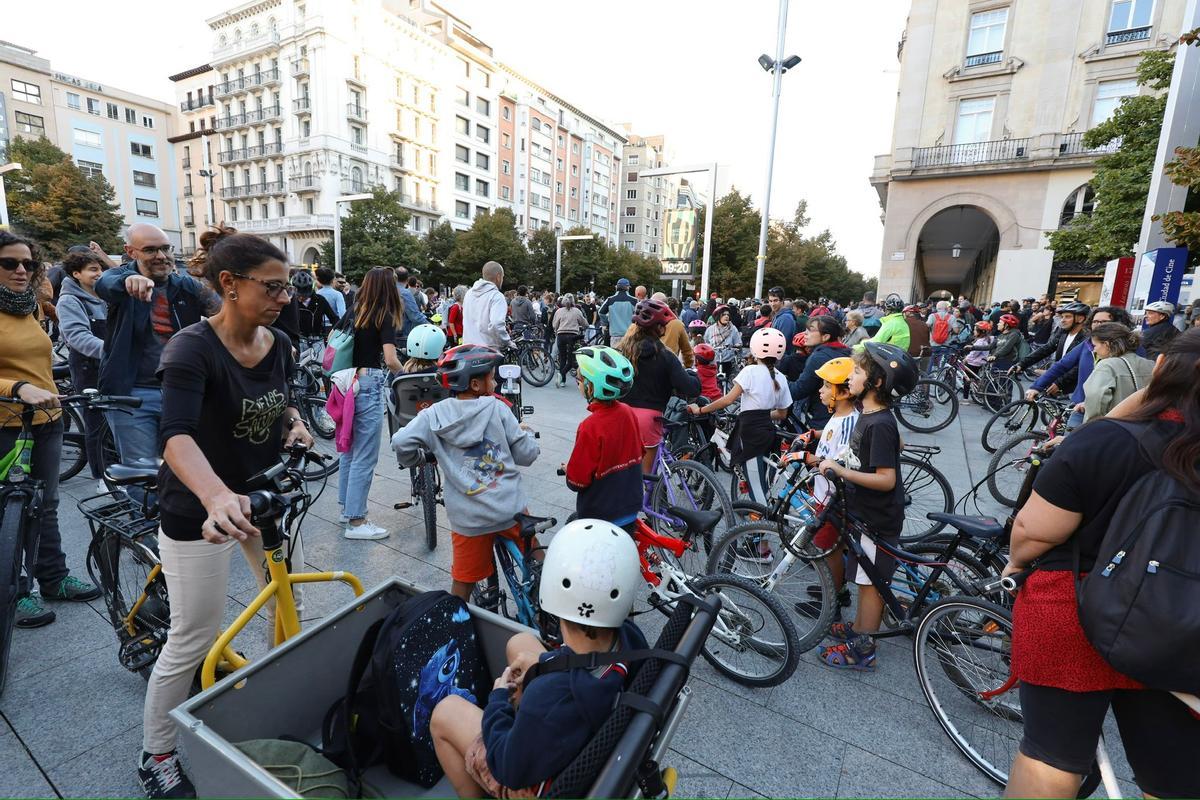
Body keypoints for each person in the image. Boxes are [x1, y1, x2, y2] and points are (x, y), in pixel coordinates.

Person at [138, 227, 312, 799]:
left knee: (287, 607)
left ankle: (267, 698)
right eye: (273, 287)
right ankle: (156, 753)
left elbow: (280, 398)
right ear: (229, 284)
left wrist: (294, 422)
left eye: (289, 288)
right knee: (194, 633)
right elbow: (176, 436)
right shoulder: (192, 347)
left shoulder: (277, 341)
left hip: (262, 495)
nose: (284, 298)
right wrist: (216, 496)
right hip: (200, 506)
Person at [1001, 329, 1200, 800]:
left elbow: (1034, 532)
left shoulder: (1106, 441)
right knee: (1174, 771)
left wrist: (1013, 566)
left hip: (1079, 607)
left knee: (1052, 754)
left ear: (1158, 371)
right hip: (1182, 621)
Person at [429, 519, 645, 798]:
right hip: (594, 729)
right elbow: (577, 665)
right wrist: (545, 665)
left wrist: (497, 702)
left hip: (535, 781)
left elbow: (509, 767)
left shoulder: (548, 697)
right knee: (519, 643)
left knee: (445, 712)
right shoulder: (631, 637)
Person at [0, 231, 102, 630]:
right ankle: (16, 591)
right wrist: (18, 388)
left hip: (46, 421)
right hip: (6, 425)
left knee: (46, 505)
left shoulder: (31, 308)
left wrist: (49, 386)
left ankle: (54, 578)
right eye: (9, 263)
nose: (21, 270)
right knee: (10, 511)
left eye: (27, 263)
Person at [391, 344, 539, 601]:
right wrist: (525, 433)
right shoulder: (497, 408)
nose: (494, 381)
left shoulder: (433, 415)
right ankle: (550, 593)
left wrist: (415, 458)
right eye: (491, 377)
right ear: (476, 385)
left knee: (462, 585)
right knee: (536, 554)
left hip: (470, 520)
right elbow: (527, 455)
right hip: (509, 509)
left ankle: (455, 622)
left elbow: (401, 443)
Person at [96, 224, 217, 500]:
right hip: (131, 395)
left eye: (165, 248)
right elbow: (106, 283)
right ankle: (148, 539)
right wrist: (128, 282)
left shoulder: (185, 285)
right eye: (150, 250)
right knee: (143, 476)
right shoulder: (119, 280)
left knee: (186, 469)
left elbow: (223, 314)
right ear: (130, 252)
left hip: (180, 393)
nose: (161, 255)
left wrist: (264, 337)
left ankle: (176, 534)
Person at [816, 342, 917, 671]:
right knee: (862, 577)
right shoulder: (868, 414)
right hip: (864, 514)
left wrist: (843, 471)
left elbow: (886, 479)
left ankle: (864, 648)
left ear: (875, 383)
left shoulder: (879, 423)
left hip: (878, 517)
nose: (852, 375)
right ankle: (860, 627)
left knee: (871, 582)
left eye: (858, 372)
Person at [786, 356, 859, 614]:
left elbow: (841, 463)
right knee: (829, 547)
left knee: (830, 549)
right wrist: (813, 434)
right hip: (825, 494)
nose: (821, 390)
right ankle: (835, 587)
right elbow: (829, 435)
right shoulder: (839, 415)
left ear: (844, 391)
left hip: (834, 499)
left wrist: (807, 457)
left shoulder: (850, 421)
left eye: (827, 386)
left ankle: (832, 605)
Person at [687, 328, 791, 504]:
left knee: (757, 493)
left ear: (755, 349)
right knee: (760, 477)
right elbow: (782, 413)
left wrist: (701, 410)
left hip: (750, 432)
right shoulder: (781, 378)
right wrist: (762, 414)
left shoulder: (750, 372)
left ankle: (760, 528)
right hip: (768, 430)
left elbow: (727, 400)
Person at [338, 267, 403, 540]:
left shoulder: (355, 310)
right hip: (369, 384)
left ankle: (347, 509)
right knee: (365, 455)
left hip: (347, 382)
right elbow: (389, 358)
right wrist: (405, 372)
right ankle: (357, 521)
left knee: (350, 452)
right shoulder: (382, 314)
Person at [619, 299, 701, 474]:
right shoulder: (665, 355)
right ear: (658, 327)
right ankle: (650, 501)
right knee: (647, 477)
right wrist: (693, 374)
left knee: (624, 470)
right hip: (649, 418)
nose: (665, 328)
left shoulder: (621, 350)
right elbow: (691, 389)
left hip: (622, 414)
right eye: (663, 325)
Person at [563, 347, 642, 529]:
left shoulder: (590, 426)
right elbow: (640, 451)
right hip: (631, 505)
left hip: (600, 515)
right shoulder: (628, 412)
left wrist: (569, 471)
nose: (578, 382)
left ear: (591, 386)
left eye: (580, 379)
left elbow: (577, 481)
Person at [56, 249, 110, 491]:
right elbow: (78, 338)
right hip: (89, 369)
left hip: (110, 368)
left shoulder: (105, 296)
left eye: (99, 268)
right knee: (96, 423)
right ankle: (102, 477)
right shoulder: (70, 300)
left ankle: (120, 472)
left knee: (117, 420)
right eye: (93, 269)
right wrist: (115, 355)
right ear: (76, 274)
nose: (99, 273)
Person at [1081, 323, 1155, 422]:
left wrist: (1090, 425)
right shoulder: (1151, 364)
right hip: (1144, 425)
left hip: (1115, 426)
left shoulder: (1107, 365)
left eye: (1095, 345)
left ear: (1107, 344)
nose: (1094, 350)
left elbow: (1096, 399)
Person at [787, 316, 850, 429]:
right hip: (843, 416)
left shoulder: (818, 357)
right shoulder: (847, 351)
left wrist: (776, 378)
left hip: (822, 419)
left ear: (825, 336)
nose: (805, 334)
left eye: (810, 330)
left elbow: (798, 390)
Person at [462, 261, 512, 352]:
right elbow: (496, 324)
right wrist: (507, 341)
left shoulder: (469, 294)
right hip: (487, 352)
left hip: (468, 349)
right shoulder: (497, 296)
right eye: (502, 277)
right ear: (498, 277)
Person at [551, 293, 587, 388]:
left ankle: (562, 381)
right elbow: (584, 323)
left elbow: (554, 325)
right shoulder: (577, 311)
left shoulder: (558, 311)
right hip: (572, 337)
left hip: (560, 336)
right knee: (570, 360)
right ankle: (562, 373)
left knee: (562, 358)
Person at [290, 270, 338, 340]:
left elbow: (334, 319)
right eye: (298, 296)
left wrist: (333, 334)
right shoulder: (289, 302)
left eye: (304, 296)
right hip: (297, 339)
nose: (301, 298)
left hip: (317, 339)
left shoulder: (320, 300)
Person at [393, 266, 427, 353]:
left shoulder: (388, 290)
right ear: (407, 279)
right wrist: (432, 326)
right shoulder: (405, 293)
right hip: (402, 335)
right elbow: (414, 316)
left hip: (388, 333)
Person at [704, 306, 742, 379]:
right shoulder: (710, 330)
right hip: (714, 361)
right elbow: (706, 343)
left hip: (729, 361)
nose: (726, 316)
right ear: (718, 316)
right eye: (724, 314)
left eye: (728, 315)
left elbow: (738, 342)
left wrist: (736, 346)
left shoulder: (733, 329)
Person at [598, 278, 636, 347]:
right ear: (627, 288)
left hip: (615, 335)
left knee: (616, 356)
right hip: (629, 334)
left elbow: (601, 312)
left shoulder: (610, 300)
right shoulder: (634, 300)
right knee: (628, 357)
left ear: (617, 287)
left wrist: (606, 323)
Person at [926, 300, 960, 372]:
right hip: (945, 344)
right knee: (942, 365)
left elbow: (927, 326)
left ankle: (926, 381)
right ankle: (940, 379)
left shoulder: (932, 316)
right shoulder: (952, 317)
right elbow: (956, 331)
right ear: (946, 308)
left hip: (933, 344)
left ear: (937, 308)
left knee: (930, 363)